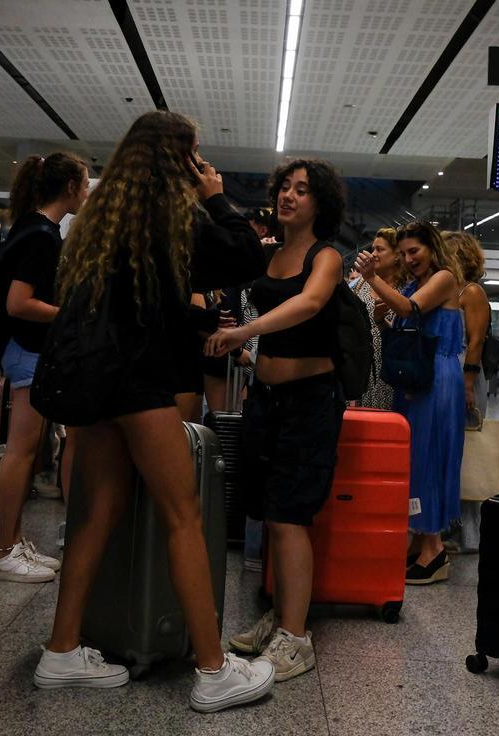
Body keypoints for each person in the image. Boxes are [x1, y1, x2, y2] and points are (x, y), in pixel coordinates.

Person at [32, 111, 272, 713]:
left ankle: (61, 649)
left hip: (96, 385)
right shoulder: (178, 216)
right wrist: (216, 197)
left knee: (97, 512)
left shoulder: (102, 220)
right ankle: (214, 670)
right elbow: (245, 256)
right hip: (141, 386)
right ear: (180, 159)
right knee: (182, 515)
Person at [205, 158, 347, 683]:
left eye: (303, 190)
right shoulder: (271, 254)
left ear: (321, 203)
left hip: (311, 400)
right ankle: (283, 614)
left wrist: (246, 332)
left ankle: (297, 636)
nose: (289, 196)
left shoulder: (325, 255)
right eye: (285, 187)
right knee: (267, 511)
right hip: (265, 398)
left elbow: (310, 304)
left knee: (290, 514)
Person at [0, 151, 88, 583]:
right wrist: (68, 312)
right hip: (29, 350)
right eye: (84, 184)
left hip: (28, 350)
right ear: (69, 188)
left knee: (26, 451)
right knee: (22, 451)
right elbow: (18, 303)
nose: (87, 192)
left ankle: (12, 538)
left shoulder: (34, 228)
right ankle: (3, 547)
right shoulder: (42, 236)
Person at [355, 220, 464, 585]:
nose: (408, 259)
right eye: (403, 253)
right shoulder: (415, 284)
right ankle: (422, 539)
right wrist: (383, 322)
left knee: (430, 455)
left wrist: (373, 281)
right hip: (417, 379)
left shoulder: (445, 278)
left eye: (414, 251)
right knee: (416, 458)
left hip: (436, 380)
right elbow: (401, 320)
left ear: (432, 247)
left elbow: (409, 309)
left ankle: (434, 546)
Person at [442, 230, 493, 553]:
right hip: (452, 371)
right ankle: (451, 526)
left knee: (466, 451)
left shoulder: (471, 292)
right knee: (452, 450)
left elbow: (476, 340)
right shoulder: (448, 290)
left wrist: (468, 382)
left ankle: (468, 532)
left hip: (465, 373)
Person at [351, 227, 401, 410]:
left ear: (397, 255)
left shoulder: (405, 290)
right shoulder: (361, 284)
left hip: (391, 366)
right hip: (363, 366)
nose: (373, 255)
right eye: (373, 249)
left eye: (380, 250)